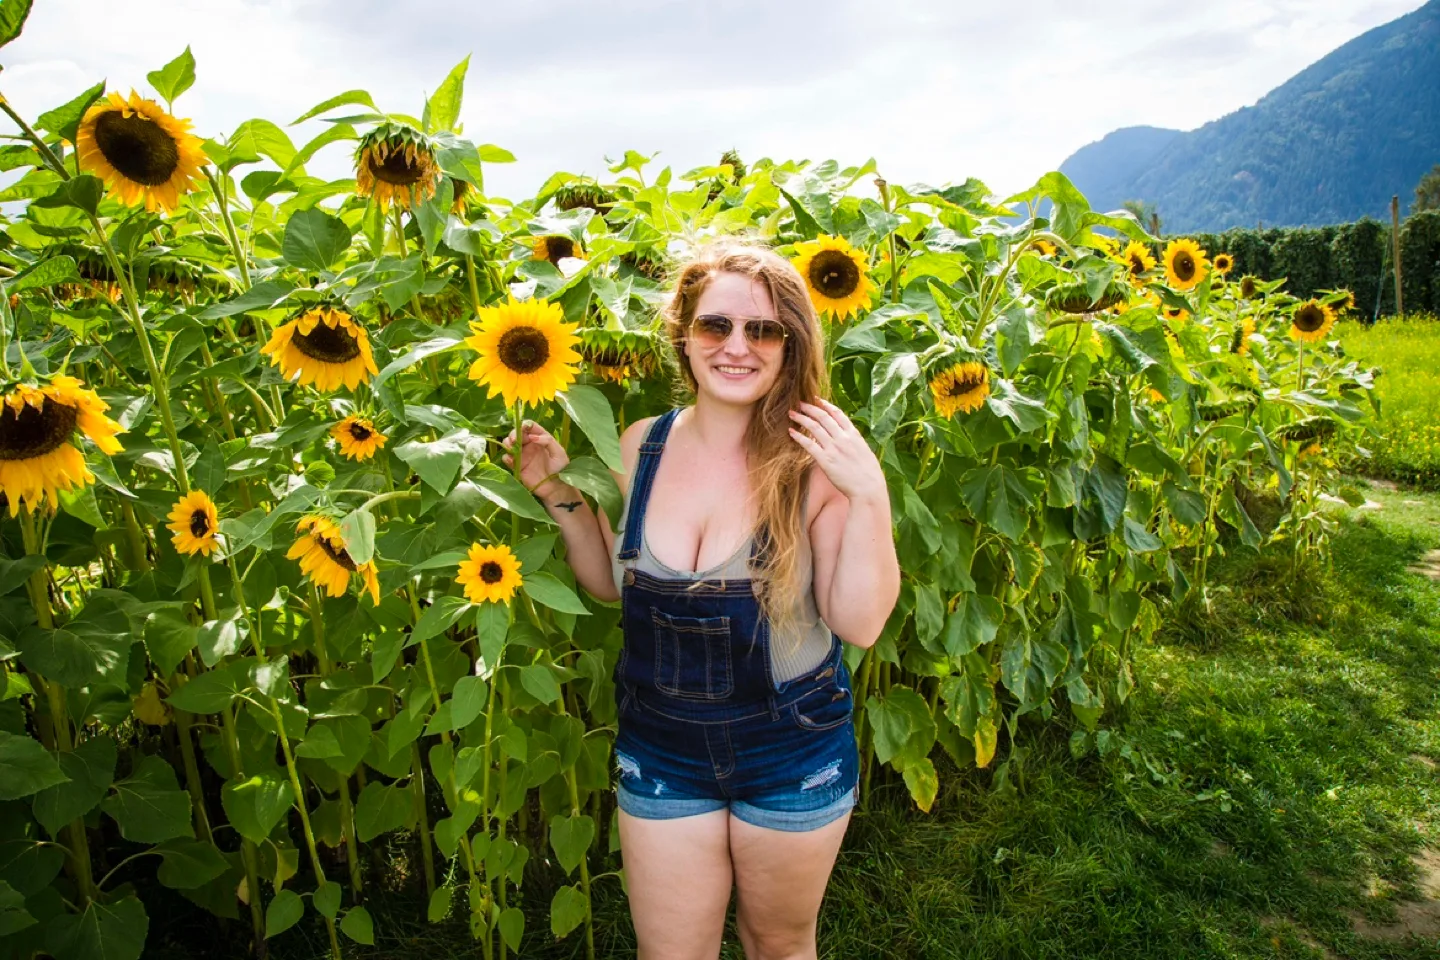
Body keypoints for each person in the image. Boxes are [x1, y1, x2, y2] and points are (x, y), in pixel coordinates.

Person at [502, 239, 900, 959]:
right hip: (662, 747)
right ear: (684, 335)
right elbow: (611, 584)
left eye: (763, 329)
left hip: (791, 747)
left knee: (776, 943)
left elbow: (861, 623)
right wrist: (556, 492)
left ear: (789, 345)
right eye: (717, 326)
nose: (737, 347)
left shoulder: (814, 462)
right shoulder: (638, 448)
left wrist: (868, 492)